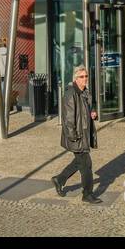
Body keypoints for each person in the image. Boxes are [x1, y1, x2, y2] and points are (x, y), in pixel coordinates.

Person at [52, 65, 101, 203]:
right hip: (76, 136)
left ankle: (59, 179)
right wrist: (73, 137)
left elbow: (87, 111)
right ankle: (87, 194)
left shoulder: (85, 92)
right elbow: (68, 119)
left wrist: (93, 113)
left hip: (83, 134)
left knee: (79, 163)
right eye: (81, 76)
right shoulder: (70, 94)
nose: (85, 79)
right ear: (75, 78)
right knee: (86, 165)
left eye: (86, 76)